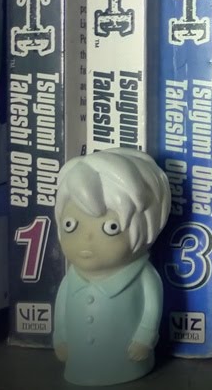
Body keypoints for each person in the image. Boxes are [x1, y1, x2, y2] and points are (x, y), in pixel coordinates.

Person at [53, 147, 171, 386]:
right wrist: (60, 337)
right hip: (78, 365)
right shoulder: (71, 279)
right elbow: (61, 314)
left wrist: (145, 337)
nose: (86, 239)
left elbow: (152, 310)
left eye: (110, 228)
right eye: (70, 225)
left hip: (129, 366)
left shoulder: (144, 276)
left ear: (144, 229)